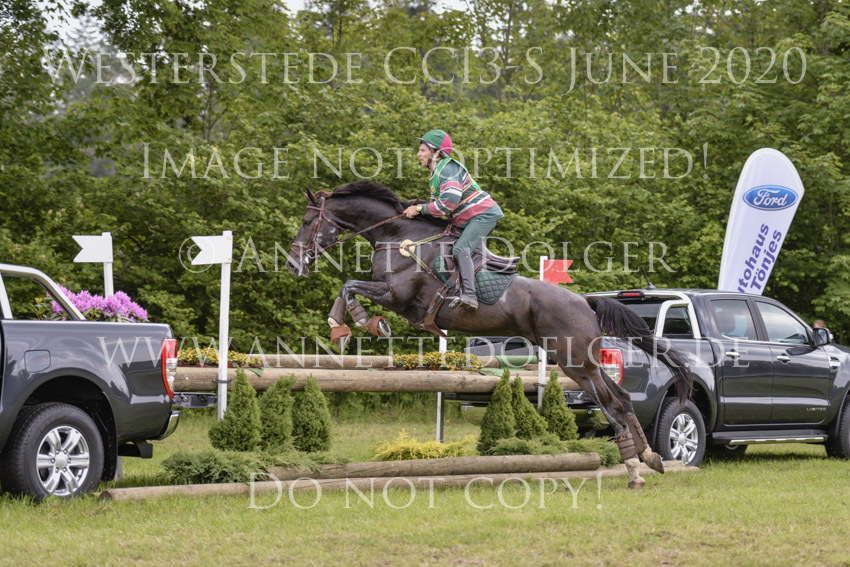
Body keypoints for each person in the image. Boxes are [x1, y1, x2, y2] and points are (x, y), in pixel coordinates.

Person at [403, 129, 504, 311]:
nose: (418, 154)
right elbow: (436, 210)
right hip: (468, 219)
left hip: (483, 215)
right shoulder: (435, 173)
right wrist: (416, 207)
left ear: (436, 153)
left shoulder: (448, 168)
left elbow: (447, 204)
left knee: (460, 249)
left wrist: (419, 209)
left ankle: (470, 296)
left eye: (423, 150)